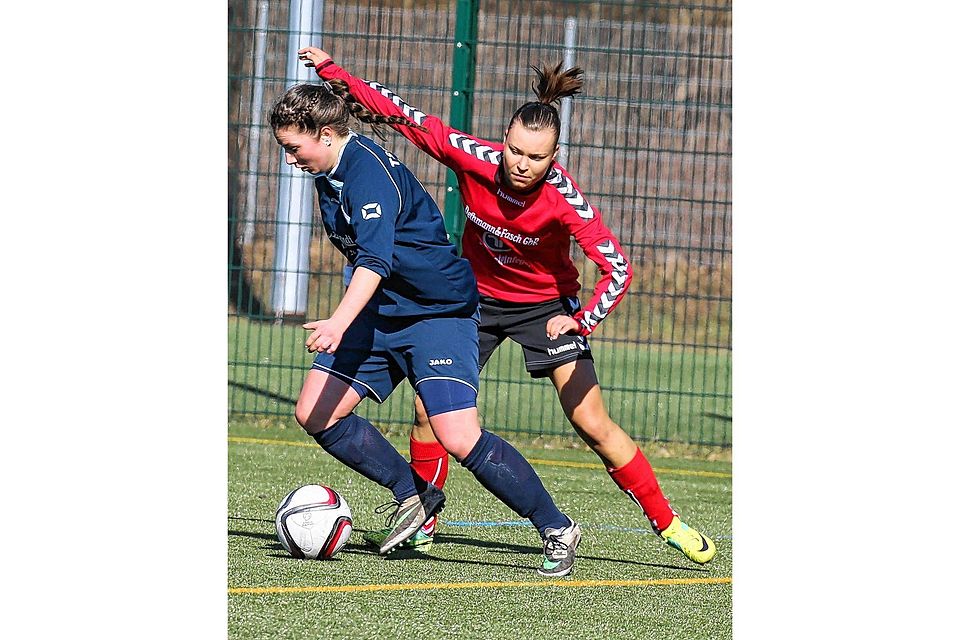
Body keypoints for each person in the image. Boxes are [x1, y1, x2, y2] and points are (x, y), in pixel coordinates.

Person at [298, 46, 717, 565]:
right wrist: (334, 72)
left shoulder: (564, 198)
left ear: (554, 157)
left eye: (536, 158)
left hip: (545, 308)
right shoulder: (476, 158)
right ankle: (421, 521)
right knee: (430, 413)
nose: (521, 164)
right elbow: (406, 116)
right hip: (474, 299)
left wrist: (582, 319)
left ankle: (667, 522)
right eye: (515, 151)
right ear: (504, 140)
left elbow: (618, 268)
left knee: (591, 422)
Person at [269, 80, 582, 576]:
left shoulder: (367, 174)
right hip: (383, 312)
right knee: (315, 412)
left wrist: (338, 322)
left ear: (326, 134)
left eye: (293, 147)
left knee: (457, 434)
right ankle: (415, 493)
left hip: (437, 314)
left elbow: (374, 261)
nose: (289, 158)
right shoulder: (329, 173)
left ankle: (557, 527)